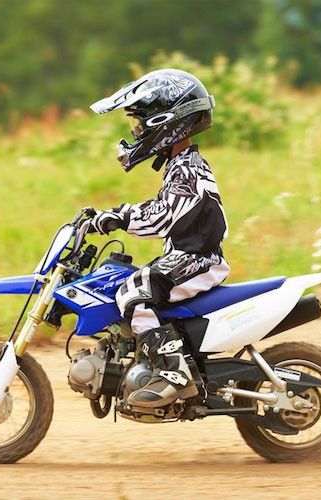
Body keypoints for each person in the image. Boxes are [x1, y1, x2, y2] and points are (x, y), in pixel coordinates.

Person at [87, 69, 229, 409]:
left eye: (140, 125)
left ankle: (174, 375)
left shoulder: (189, 168)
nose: (136, 133)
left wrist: (120, 217)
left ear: (166, 124)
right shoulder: (180, 164)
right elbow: (163, 208)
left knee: (134, 293)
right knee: (123, 280)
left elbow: (162, 215)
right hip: (186, 256)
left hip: (198, 260)